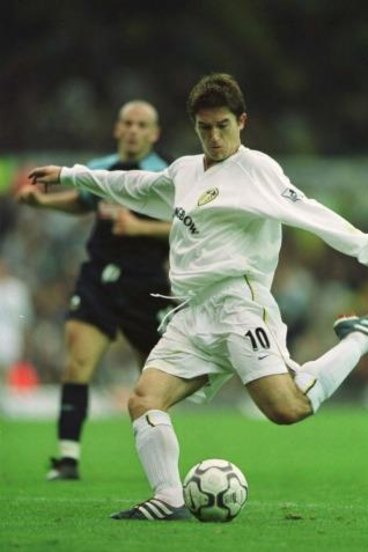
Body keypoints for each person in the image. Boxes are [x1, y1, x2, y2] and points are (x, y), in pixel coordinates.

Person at [29, 73, 368, 520]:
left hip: (239, 307)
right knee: (145, 400)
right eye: (204, 127)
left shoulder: (257, 170)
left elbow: (312, 214)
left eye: (222, 125)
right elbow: (135, 186)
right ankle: (169, 498)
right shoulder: (186, 170)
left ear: (241, 121)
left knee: (288, 409)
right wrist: (73, 175)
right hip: (191, 312)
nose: (213, 136)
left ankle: (359, 337)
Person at [17, 100, 173, 481]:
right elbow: (83, 200)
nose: (134, 130)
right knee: (78, 362)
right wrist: (44, 202)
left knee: (153, 378)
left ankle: (160, 464)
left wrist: (140, 229)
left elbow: (188, 225)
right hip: (99, 277)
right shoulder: (99, 168)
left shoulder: (168, 175)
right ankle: (67, 458)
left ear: (154, 134)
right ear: (118, 128)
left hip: (147, 283)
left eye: (142, 125)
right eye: (128, 123)